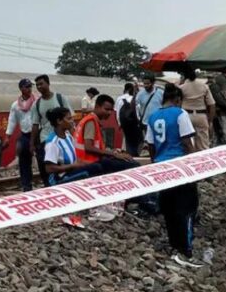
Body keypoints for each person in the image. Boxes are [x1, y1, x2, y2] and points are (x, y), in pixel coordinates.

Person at [145, 83, 204, 268]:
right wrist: (195, 166)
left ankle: (174, 245)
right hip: (179, 166)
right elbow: (187, 141)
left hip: (162, 167)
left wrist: (156, 165)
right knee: (187, 208)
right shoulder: (180, 114)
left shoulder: (153, 117)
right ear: (178, 99)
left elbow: (151, 146)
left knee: (169, 209)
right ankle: (186, 248)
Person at [74, 94, 140, 221]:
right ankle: (132, 200)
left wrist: (113, 151)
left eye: (111, 110)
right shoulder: (91, 121)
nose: (109, 113)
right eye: (107, 109)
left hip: (94, 160)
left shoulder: (92, 121)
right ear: (97, 106)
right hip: (90, 163)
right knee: (131, 166)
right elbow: (88, 147)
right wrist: (113, 154)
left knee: (124, 161)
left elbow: (97, 146)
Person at [30, 74, 71, 187]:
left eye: (41, 84)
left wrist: (74, 136)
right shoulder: (37, 104)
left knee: (62, 167)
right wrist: (32, 143)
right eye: (37, 85)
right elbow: (35, 124)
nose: (39, 87)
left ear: (48, 84)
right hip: (45, 139)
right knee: (47, 168)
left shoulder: (60, 98)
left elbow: (69, 118)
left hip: (62, 138)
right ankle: (48, 187)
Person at [1, 79, 37, 192]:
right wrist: (7, 137)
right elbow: (12, 121)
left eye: (30, 86)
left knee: (42, 160)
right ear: (21, 89)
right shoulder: (15, 105)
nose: (30, 89)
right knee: (24, 161)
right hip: (25, 135)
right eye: (27, 87)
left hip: (37, 135)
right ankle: (27, 186)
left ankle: (47, 183)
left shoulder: (37, 102)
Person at [178, 66, 216, 152]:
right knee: (203, 145)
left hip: (186, 116)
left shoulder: (181, 88)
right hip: (201, 116)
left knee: (188, 143)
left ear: (184, 76)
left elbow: (178, 104)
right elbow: (212, 104)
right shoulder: (204, 86)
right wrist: (210, 121)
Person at [208, 73, 226, 145]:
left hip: (213, 112)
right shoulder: (214, 87)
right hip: (219, 111)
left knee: (218, 130)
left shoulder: (208, 86)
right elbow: (220, 100)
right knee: (222, 129)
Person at [135, 75, 164, 140]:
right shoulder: (140, 94)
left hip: (158, 123)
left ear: (153, 83)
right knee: (148, 142)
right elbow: (136, 106)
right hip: (146, 123)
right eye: (144, 83)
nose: (145, 85)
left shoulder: (161, 93)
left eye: (148, 83)